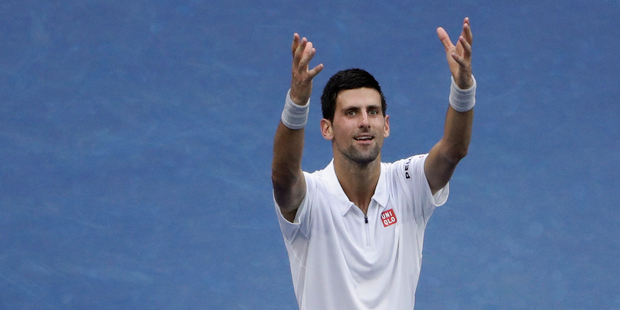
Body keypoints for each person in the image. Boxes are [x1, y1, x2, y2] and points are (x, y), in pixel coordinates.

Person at [271, 17, 476, 310]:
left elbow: (454, 149)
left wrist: (463, 88)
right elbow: (283, 176)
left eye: (373, 112)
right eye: (351, 113)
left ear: (386, 125)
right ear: (326, 128)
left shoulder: (409, 184)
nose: (365, 122)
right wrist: (296, 104)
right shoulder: (310, 198)